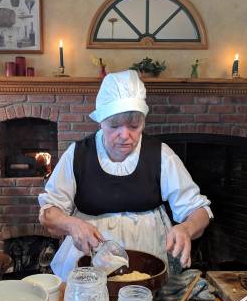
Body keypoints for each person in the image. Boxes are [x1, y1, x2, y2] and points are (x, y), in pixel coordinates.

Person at [38, 70, 212, 281]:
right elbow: (48, 214)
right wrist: (71, 225)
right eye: (114, 126)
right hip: (88, 258)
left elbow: (198, 210)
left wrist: (186, 228)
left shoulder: (160, 154)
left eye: (134, 126)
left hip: (150, 258)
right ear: (101, 121)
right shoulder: (78, 154)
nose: (125, 136)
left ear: (143, 122)